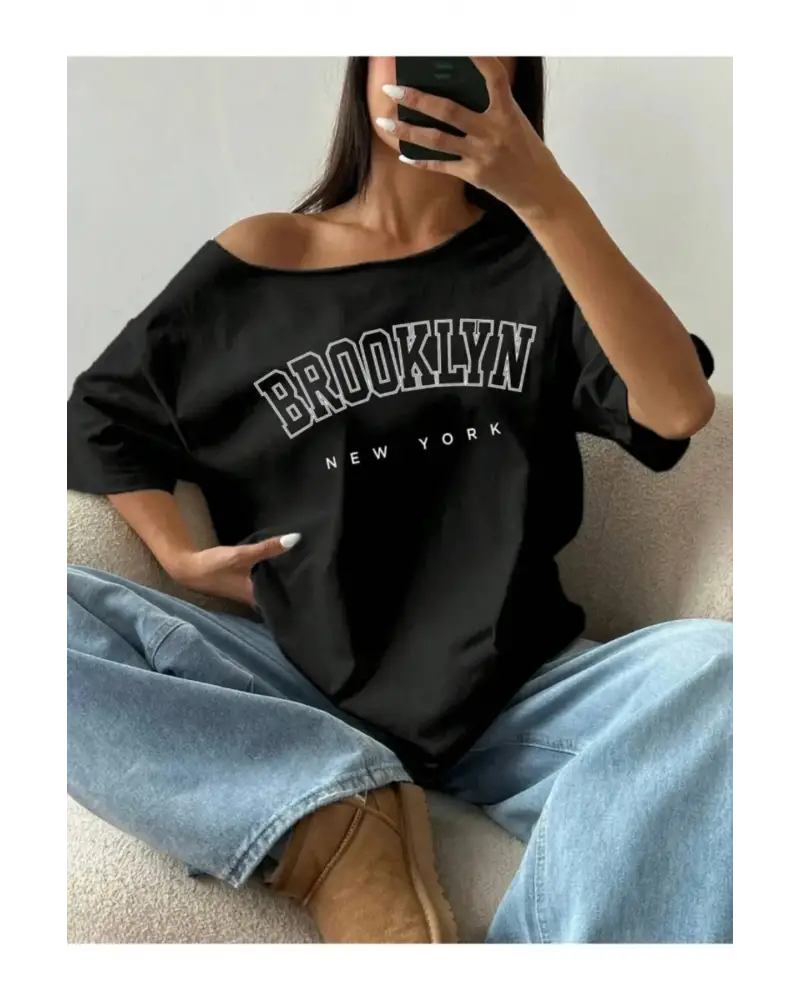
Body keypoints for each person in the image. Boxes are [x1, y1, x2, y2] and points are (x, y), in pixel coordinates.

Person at [64, 56, 734, 944]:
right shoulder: (261, 260)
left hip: (519, 691)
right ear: (364, 66)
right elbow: (101, 413)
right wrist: (179, 555)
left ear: (513, 78)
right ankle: (335, 820)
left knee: (726, 671)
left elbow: (677, 409)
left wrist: (546, 198)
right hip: (299, 683)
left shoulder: (545, 260)